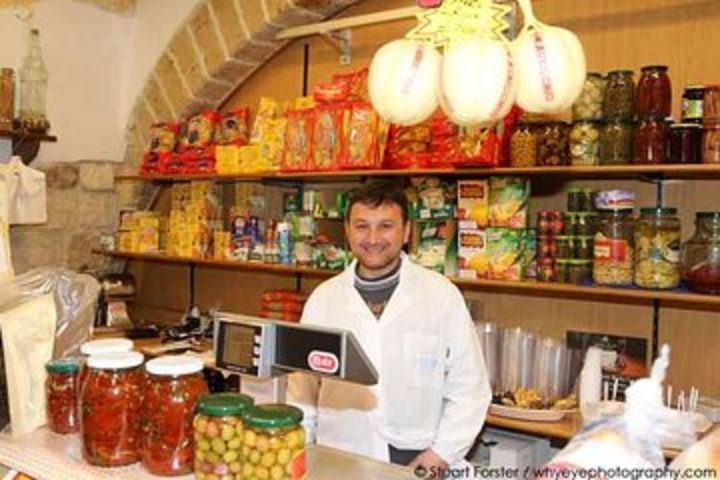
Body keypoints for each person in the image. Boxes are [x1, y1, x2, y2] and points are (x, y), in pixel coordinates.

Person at [288, 182, 491, 477]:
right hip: (341, 457)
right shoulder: (324, 299)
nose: (373, 238)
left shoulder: (441, 296)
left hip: (419, 457)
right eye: (361, 226)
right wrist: (299, 457)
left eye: (385, 226)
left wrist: (438, 456)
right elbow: (301, 392)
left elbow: (470, 390)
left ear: (406, 231)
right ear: (347, 230)